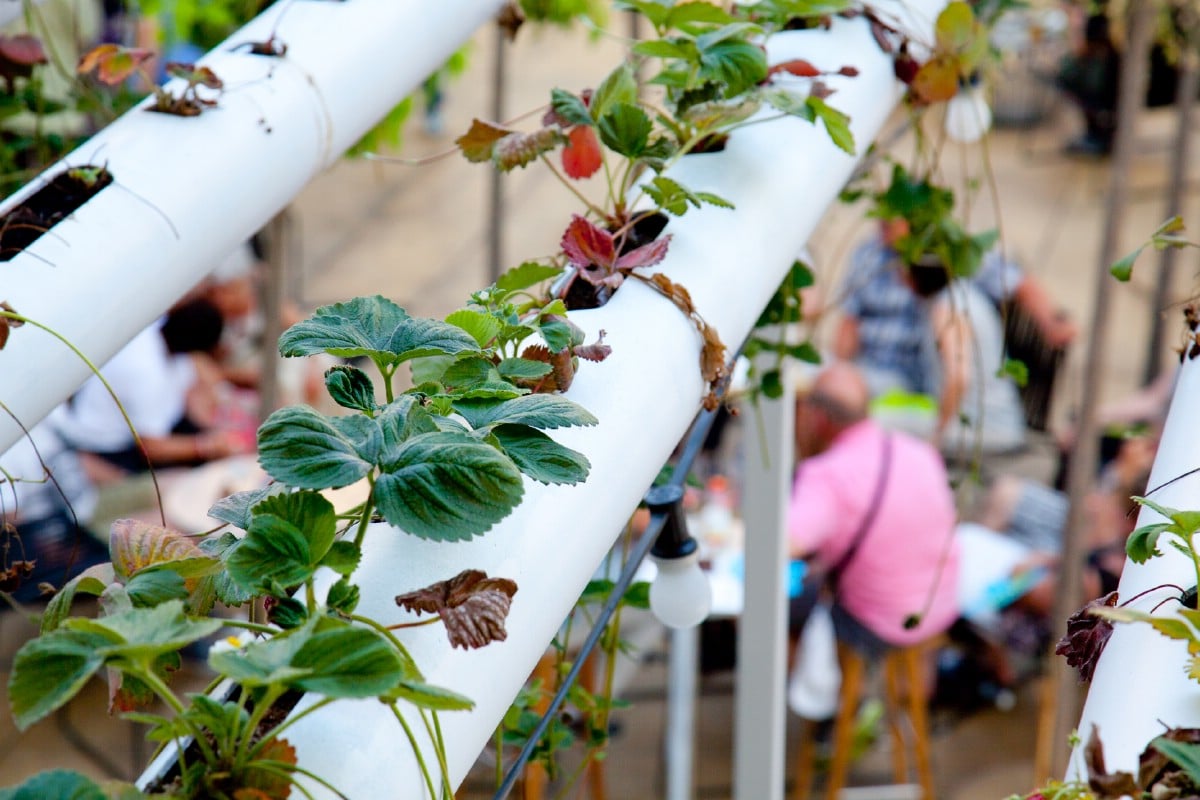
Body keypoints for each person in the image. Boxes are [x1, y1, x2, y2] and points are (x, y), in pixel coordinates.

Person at [788, 362, 961, 653]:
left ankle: (789, 691)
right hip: (941, 608)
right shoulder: (918, 451)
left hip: (880, 623)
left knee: (774, 601)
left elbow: (784, 545)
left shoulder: (827, 475)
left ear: (816, 416)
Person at [834, 220, 1076, 401]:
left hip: (910, 376)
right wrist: (840, 368)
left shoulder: (945, 265)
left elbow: (1015, 280)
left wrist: (1051, 320)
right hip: (869, 365)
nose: (882, 227)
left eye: (890, 221)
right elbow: (849, 321)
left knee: (840, 395)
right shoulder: (870, 252)